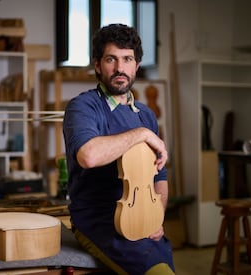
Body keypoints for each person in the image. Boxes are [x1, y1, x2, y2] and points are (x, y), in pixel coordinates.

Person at [62, 23, 175, 275]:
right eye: (111, 59)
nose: (120, 68)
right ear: (98, 65)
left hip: (144, 223)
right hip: (99, 223)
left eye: (127, 59)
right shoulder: (83, 107)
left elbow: (160, 178)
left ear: (136, 66)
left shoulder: (146, 114)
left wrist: (157, 217)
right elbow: (88, 155)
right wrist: (142, 135)